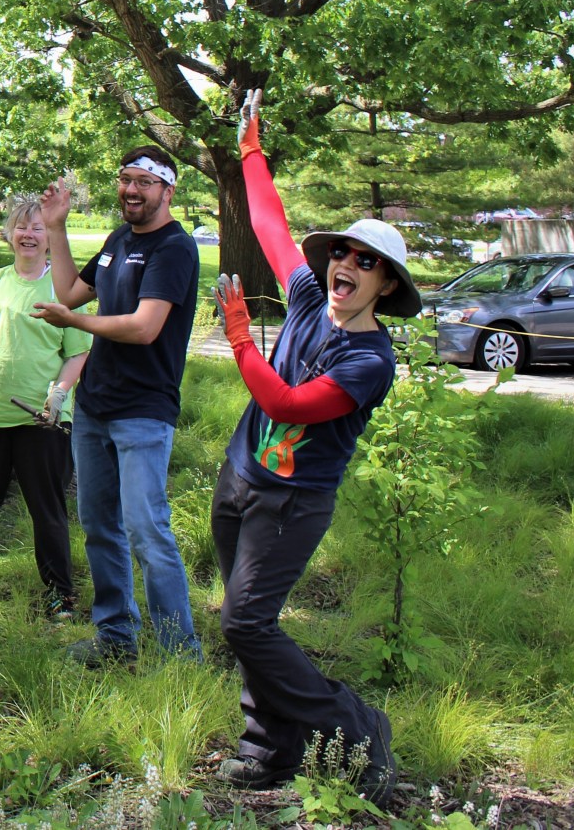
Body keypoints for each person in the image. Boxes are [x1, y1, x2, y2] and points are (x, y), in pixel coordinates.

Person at [209, 91, 414, 803]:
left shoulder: (370, 362)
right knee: (245, 626)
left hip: (292, 502)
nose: (346, 264)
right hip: (240, 476)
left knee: (246, 621)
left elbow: (288, 403)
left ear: (384, 285)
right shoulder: (304, 296)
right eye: (344, 253)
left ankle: (357, 729)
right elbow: (270, 225)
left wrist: (239, 337)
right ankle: (269, 746)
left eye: (366, 261)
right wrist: (251, 151)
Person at [31, 147, 204, 665]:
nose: (131, 190)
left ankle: (180, 655)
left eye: (144, 183)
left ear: (167, 191)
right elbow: (68, 290)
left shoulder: (175, 248)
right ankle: (115, 639)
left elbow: (144, 327)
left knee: (147, 528)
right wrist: (56, 228)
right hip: (95, 407)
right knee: (98, 524)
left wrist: (75, 324)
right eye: (126, 180)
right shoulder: (117, 240)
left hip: (143, 411)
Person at [0, 196, 89, 616]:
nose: (29, 234)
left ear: (50, 237)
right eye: (21, 227)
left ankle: (59, 597)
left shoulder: (65, 289)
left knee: (47, 513)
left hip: (44, 421)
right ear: (9, 234)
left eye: (38, 227)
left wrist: (59, 393)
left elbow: (77, 352)